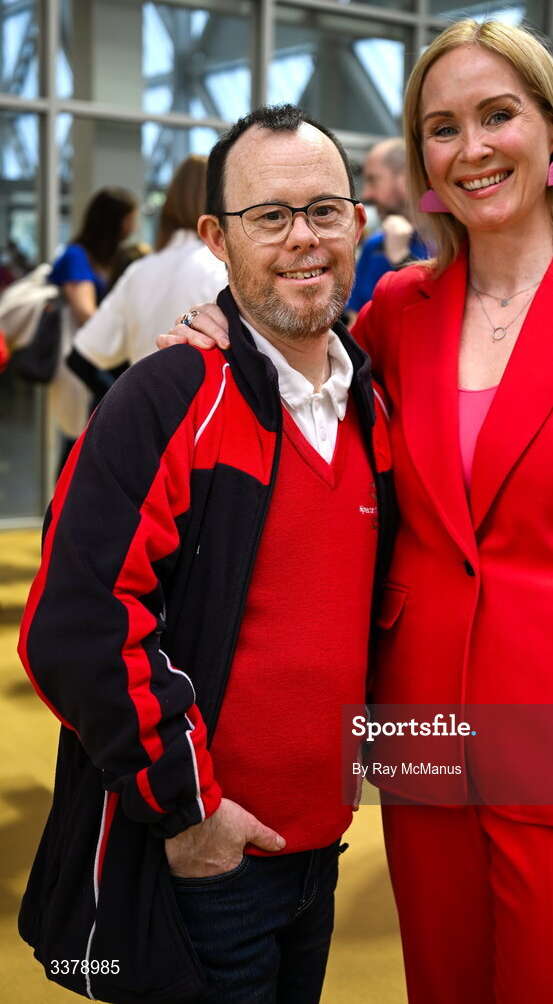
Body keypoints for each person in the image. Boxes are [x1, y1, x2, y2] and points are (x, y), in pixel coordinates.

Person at [163, 20, 553, 1004]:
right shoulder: (395, 312)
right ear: (420, 157)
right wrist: (228, 329)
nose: (471, 148)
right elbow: (297, 372)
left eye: (497, 115)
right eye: (441, 126)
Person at [18, 105, 394, 1004]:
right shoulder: (171, 395)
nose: (302, 239)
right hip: (205, 862)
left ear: (359, 224)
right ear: (215, 239)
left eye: (324, 210)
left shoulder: (373, 406)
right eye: (270, 216)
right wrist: (191, 813)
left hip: (319, 850)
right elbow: (75, 629)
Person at [68, 155, 226, 402]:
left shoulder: (139, 271)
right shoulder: (222, 270)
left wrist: (125, 405)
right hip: (204, 425)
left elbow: (81, 358)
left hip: (146, 424)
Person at [48, 186, 139, 468]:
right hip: (79, 355)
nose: (133, 227)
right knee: (77, 437)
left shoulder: (107, 257)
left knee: (86, 432)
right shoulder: (78, 256)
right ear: (115, 220)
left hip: (95, 356)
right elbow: (84, 313)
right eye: (129, 219)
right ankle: (64, 508)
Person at [344, 137, 428, 324]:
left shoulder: (451, 244)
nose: (366, 194)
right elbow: (354, 324)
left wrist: (403, 260)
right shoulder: (375, 246)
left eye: (373, 180)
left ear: (406, 178)